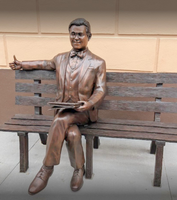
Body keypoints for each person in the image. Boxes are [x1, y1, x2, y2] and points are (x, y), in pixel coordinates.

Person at [9, 18, 106, 195]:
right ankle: (79, 169)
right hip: (63, 110)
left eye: (80, 34)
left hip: (83, 111)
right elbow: (44, 64)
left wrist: (89, 103)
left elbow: (100, 89)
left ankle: (46, 169)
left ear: (88, 36)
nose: (76, 38)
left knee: (61, 120)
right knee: (72, 133)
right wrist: (22, 64)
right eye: (73, 34)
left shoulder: (98, 63)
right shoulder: (60, 59)